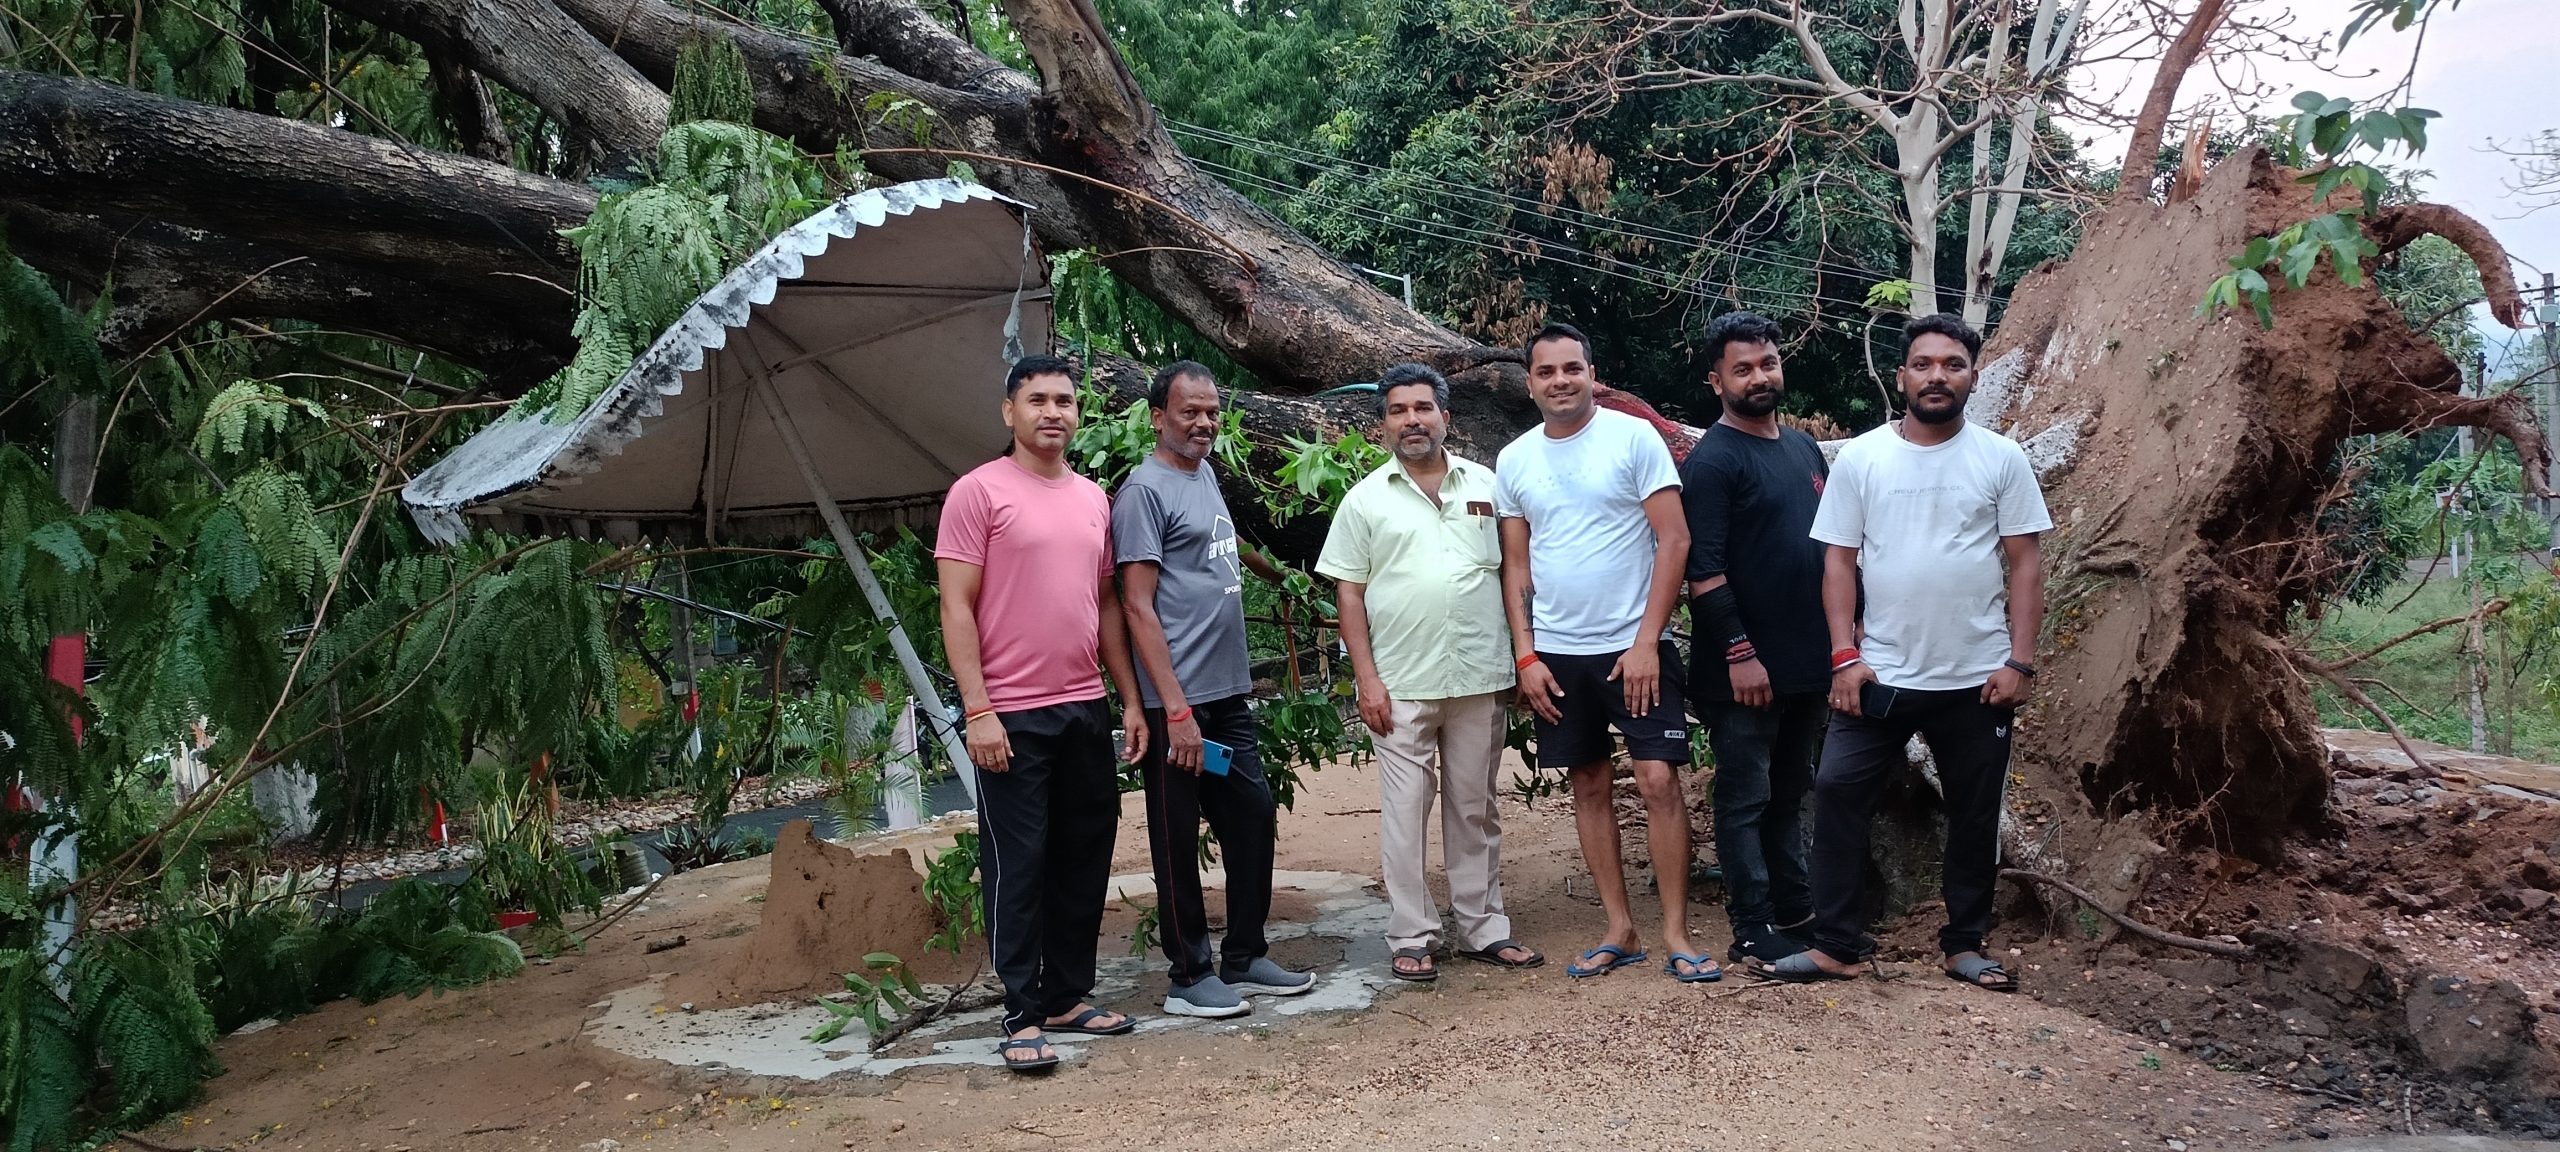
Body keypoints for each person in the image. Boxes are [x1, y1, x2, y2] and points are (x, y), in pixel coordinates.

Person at [1762, 313, 2050, 992]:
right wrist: (1842, 656)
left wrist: (2019, 662)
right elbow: (1838, 563)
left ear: (1973, 376)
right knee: (1837, 792)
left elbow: (2026, 564)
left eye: (1952, 364)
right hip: (1880, 675)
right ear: (1901, 377)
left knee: (1975, 812)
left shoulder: (2001, 459)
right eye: (1923, 364)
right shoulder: (1864, 458)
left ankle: (1964, 945)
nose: (1937, 376)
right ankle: (1836, 944)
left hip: (1978, 678)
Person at [935, 354, 1149, 1074]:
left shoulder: (1093, 498)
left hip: (1083, 706)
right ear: (1010, 411)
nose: (1053, 412)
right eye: (1038, 400)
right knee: (1018, 866)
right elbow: (955, 607)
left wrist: (1128, 698)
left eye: (1064, 400)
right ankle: (1021, 1014)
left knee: (1083, 856)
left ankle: (1065, 997)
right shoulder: (977, 493)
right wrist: (978, 710)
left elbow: (1107, 605)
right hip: (1010, 715)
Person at [1495, 323, 1712, 982]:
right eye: (1546, 371)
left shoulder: (1633, 438)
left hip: (1634, 646)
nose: (1560, 381)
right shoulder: (1515, 460)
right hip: (1558, 654)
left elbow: (1674, 540)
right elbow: (1516, 565)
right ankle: (1620, 928)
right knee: (1587, 783)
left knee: (1657, 781)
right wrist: (1526, 656)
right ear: (1530, 384)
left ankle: (1676, 933)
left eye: (1572, 368)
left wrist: (1648, 641)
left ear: (1593, 374)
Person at [1317, 363, 1545, 982]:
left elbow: (1514, 572)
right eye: (1398, 410)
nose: (1411, 420)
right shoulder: (1365, 500)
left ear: (1446, 416)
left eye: (1422, 408)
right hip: (1400, 685)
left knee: (1475, 809)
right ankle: (1412, 935)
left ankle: (1483, 928)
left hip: (1478, 677)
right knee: (1405, 815)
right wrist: (1366, 680)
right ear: (1383, 424)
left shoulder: (1488, 486)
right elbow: (1349, 595)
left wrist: (1523, 655)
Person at [1115, 360, 1316, 1017]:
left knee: (1251, 814)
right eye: (1189, 412)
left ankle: (1245, 955)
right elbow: (1137, 604)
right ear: (1158, 418)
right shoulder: (1143, 492)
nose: (1203, 423)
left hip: (1226, 695)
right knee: (1176, 838)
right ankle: (1189, 975)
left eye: (1211, 412)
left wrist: (1286, 577)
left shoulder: (1202, 474)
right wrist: (1174, 709)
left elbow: (1223, 553)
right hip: (1178, 702)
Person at [1679, 311, 1830, 965]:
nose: (1759, 377)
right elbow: (1703, 571)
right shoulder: (1713, 462)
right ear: (1717, 382)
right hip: (1741, 672)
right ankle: (1752, 926)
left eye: (1767, 363)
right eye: (1742, 369)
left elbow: (1833, 549)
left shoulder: (1803, 449)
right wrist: (1741, 653)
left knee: (1790, 793)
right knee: (1745, 798)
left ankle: (1797, 913)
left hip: (1807, 663)